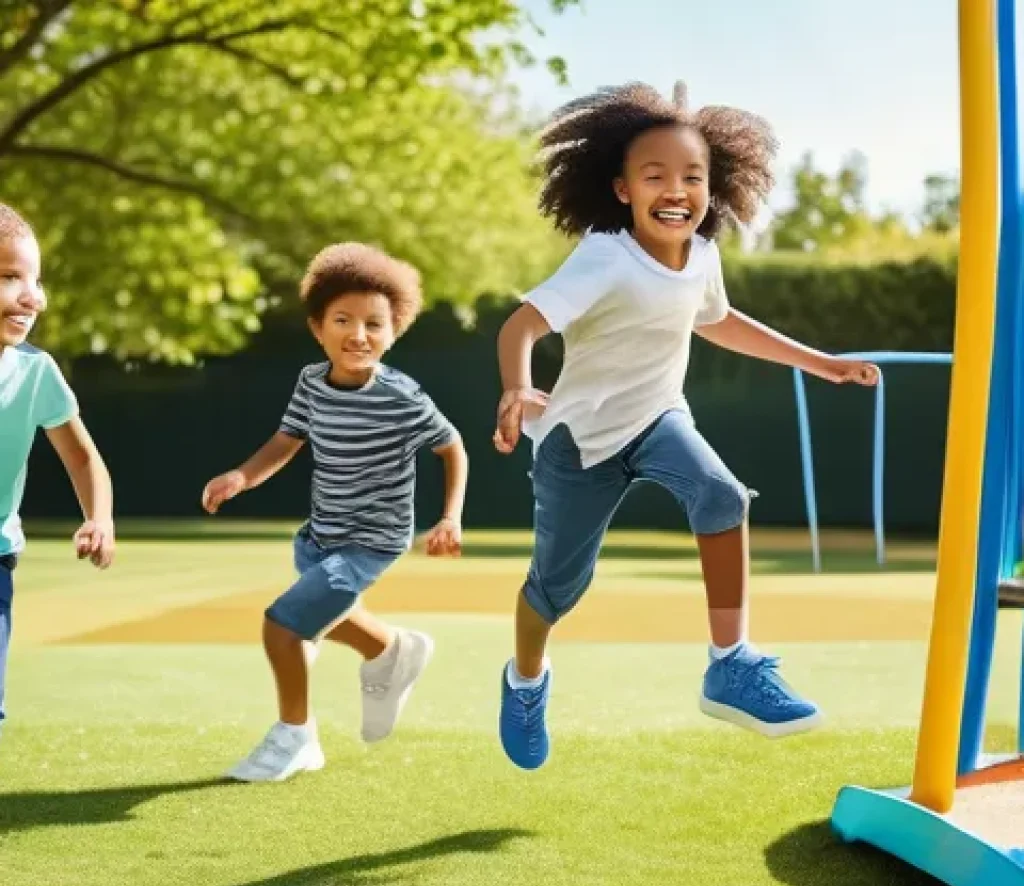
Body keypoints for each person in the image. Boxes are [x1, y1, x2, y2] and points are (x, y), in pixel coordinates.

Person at [492, 83, 879, 770]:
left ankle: (729, 664)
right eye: (656, 176)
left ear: (715, 186)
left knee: (721, 494)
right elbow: (523, 323)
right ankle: (525, 681)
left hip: (658, 417)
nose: (677, 190)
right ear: (620, 189)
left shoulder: (701, 254)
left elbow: (719, 321)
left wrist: (823, 364)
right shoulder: (605, 254)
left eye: (692, 177)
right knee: (556, 588)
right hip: (579, 439)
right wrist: (519, 385)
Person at [203, 242, 467, 782]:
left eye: (374, 323)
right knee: (323, 619)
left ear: (395, 330)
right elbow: (286, 440)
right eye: (343, 320)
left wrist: (450, 518)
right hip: (320, 534)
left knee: (284, 628)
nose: (359, 334)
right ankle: (393, 649)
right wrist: (242, 476)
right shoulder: (309, 382)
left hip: (373, 541)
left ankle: (296, 737)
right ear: (317, 328)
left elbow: (452, 447)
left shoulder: (402, 397)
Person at [0, 202, 115, 735]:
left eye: (35, 279)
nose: (33, 296)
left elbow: (81, 456)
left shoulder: (35, 373)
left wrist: (99, 517)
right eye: (9, 277)